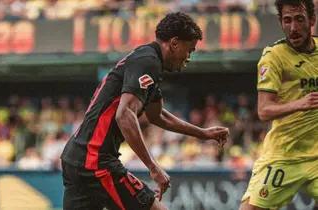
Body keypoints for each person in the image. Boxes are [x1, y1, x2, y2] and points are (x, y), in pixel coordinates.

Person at [61, 12, 229, 210]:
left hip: (76, 157)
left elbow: (157, 115)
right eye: (189, 50)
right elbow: (125, 115)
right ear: (174, 43)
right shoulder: (148, 62)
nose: (188, 57)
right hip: (96, 161)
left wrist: (202, 133)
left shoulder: (145, 61)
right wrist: (153, 167)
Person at [240, 0, 318, 209]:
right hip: (285, 156)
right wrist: (299, 104)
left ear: (312, 20)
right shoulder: (273, 57)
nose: (293, 28)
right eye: (287, 20)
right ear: (280, 22)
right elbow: (264, 111)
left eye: (299, 19)